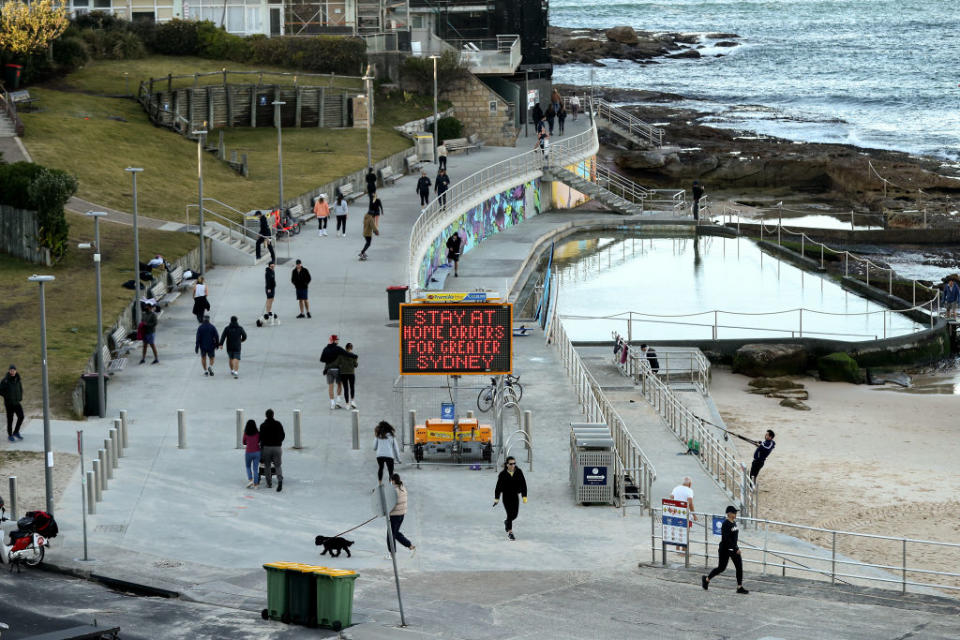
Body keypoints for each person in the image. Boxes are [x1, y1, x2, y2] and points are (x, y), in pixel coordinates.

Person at [703, 506, 749, 594]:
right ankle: (706, 579)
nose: (736, 514)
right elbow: (726, 539)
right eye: (734, 512)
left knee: (739, 566)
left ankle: (739, 587)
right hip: (725, 549)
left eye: (736, 512)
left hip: (733, 548)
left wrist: (735, 547)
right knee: (721, 568)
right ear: (729, 514)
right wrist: (736, 548)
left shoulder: (734, 523)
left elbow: (734, 538)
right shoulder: (725, 524)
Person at [494, 456, 527, 540]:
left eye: (514, 463)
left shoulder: (519, 472)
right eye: (511, 464)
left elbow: (523, 484)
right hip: (506, 497)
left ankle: (507, 522)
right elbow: (498, 487)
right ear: (507, 465)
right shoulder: (502, 474)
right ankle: (510, 532)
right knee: (509, 514)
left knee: (514, 515)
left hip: (515, 496)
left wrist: (524, 496)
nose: (513, 465)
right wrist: (496, 499)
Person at [387, 473, 416, 555]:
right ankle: (409, 545)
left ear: (393, 481)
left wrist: (385, 511)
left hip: (395, 516)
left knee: (390, 535)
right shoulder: (402, 487)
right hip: (401, 515)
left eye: (391, 481)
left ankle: (392, 553)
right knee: (395, 533)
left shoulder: (394, 491)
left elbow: (392, 504)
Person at [259, 408, 285, 492]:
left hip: (267, 448)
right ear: (273, 415)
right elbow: (282, 435)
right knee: (278, 465)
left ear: (266, 415)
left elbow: (261, 438)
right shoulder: (278, 424)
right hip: (277, 447)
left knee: (267, 466)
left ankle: (269, 483)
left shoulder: (263, 425)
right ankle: (280, 480)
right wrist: (279, 442)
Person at [320, 335, 348, 409]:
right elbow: (346, 355)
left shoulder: (325, 349)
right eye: (336, 340)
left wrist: (328, 359)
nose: (337, 341)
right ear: (334, 340)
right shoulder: (338, 349)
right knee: (339, 384)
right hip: (337, 369)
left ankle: (332, 403)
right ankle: (338, 400)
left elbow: (322, 359)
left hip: (329, 370)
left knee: (330, 386)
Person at [1, 365, 24, 442]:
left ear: (16, 371)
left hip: (16, 402)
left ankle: (16, 432)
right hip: (9, 403)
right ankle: (10, 435)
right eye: (11, 370)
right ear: (9, 371)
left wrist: (20, 397)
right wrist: (7, 396)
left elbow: (20, 389)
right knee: (10, 419)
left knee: (21, 416)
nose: (12, 371)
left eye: (14, 370)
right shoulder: (5, 380)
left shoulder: (18, 379)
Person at [336, 343, 358, 409]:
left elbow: (338, 364)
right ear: (351, 348)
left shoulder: (341, 355)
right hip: (351, 373)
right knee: (352, 387)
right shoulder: (353, 355)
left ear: (345, 348)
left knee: (346, 388)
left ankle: (347, 404)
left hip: (343, 373)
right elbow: (356, 365)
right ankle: (353, 401)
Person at [242, 419, 260, 488]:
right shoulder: (257, 433)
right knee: (255, 469)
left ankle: (250, 480)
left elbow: (243, 442)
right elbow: (259, 441)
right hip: (257, 452)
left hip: (248, 452)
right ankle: (256, 484)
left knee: (248, 466)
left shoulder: (246, 433)